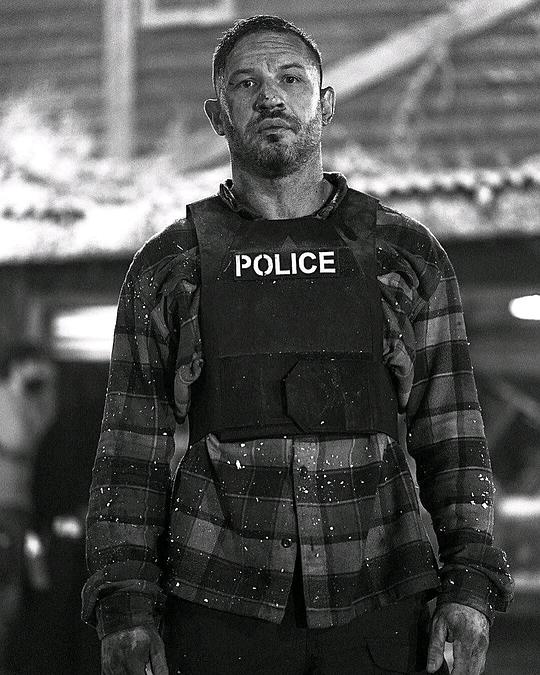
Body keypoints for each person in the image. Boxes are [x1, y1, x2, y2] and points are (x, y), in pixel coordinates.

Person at [82, 15, 513, 675]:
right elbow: (129, 457)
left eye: (291, 79)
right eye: (245, 83)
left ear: (326, 103)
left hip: (380, 600)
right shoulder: (169, 269)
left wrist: (471, 587)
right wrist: (125, 610)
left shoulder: (404, 255)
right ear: (217, 115)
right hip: (219, 606)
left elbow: (454, 439)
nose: (270, 97)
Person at [0, 339, 57, 673]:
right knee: (9, 577)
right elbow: (19, 438)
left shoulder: (34, 399)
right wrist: (22, 393)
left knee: (23, 580)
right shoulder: (5, 397)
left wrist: (43, 393)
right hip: (5, 502)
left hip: (26, 504)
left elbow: (47, 434)